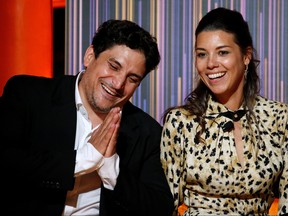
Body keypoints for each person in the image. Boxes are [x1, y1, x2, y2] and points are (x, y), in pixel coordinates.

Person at [0, 19, 174, 216]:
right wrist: (84, 159)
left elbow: (160, 207)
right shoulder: (28, 94)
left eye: (132, 78)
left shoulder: (147, 131)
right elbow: (6, 162)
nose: (118, 84)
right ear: (90, 56)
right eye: (114, 66)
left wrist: (112, 170)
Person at [160, 7, 288, 216]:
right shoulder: (180, 122)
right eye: (202, 54)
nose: (211, 63)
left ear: (246, 56)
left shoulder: (280, 118)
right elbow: (166, 206)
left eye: (223, 52)